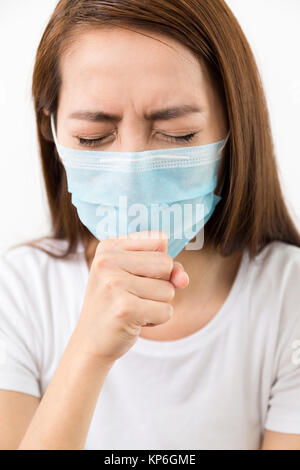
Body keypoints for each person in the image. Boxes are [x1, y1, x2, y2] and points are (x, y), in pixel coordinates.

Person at [0, 0, 300, 451]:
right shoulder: (18, 293)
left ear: (233, 123)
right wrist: (89, 351)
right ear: (54, 131)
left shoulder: (288, 298)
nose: (132, 170)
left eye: (177, 133)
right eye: (93, 138)